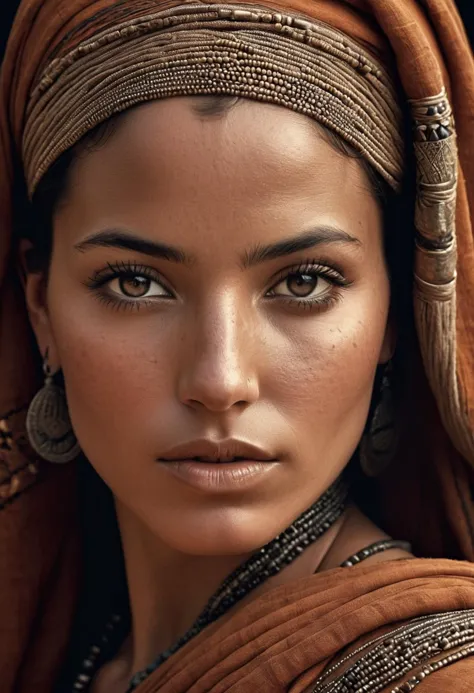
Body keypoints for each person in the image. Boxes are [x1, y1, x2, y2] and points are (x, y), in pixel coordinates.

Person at [1, 0, 474, 691]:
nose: (220, 380)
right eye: (136, 283)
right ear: (41, 309)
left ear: (395, 313)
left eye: (304, 281)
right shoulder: (68, 660)